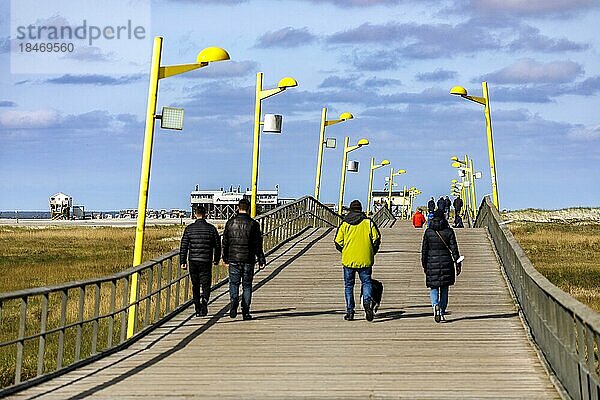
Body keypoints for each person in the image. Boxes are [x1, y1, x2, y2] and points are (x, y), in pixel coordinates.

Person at [334, 200, 381, 322]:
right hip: (365, 258)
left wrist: (344, 251)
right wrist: (372, 251)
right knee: (366, 282)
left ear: (350, 210)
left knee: (349, 285)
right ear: (361, 210)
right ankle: (367, 302)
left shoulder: (344, 224)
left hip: (348, 259)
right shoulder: (368, 222)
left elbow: (337, 242)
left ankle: (350, 312)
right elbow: (376, 238)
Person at [222, 198, 266, 321]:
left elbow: (225, 242)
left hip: (234, 258)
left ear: (237, 207)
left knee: (233, 283)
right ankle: (245, 312)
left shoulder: (230, 223)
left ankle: (234, 301)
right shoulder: (254, 224)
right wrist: (261, 259)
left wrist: (225, 257)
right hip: (248, 259)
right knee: (247, 285)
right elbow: (258, 244)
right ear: (248, 208)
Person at [179, 205, 221, 317]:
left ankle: (197, 308)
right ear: (205, 214)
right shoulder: (211, 229)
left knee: (195, 285)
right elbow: (217, 246)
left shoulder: (189, 229)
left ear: (195, 214)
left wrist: (182, 261)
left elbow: (184, 246)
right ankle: (205, 301)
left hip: (193, 260)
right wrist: (216, 259)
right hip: (206, 260)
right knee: (206, 284)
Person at [421, 209, 462, 323]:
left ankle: (435, 306)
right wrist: (458, 263)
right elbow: (454, 249)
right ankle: (442, 310)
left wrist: (424, 264)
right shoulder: (449, 231)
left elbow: (424, 250)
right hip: (446, 262)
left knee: (434, 287)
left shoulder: (428, 232)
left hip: (431, 262)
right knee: (444, 288)